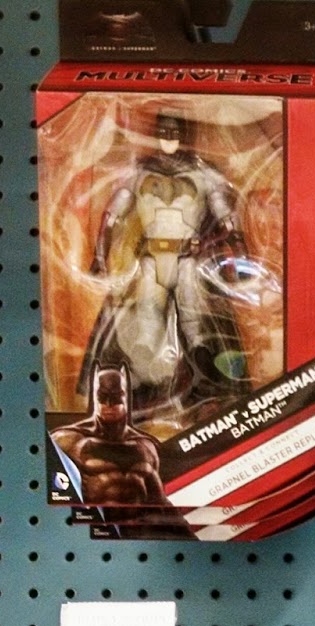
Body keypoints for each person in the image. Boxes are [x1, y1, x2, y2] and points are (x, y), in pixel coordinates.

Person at [80, 112, 251, 412]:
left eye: (174, 133)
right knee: (146, 322)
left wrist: (240, 256)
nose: (169, 139)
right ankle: (146, 390)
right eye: (164, 133)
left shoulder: (203, 173)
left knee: (196, 325)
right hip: (150, 259)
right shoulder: (140, 171)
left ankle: (206, 388)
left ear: (183, 136)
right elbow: (111, 216)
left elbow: (227, 218)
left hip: (189, 261)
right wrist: (99, 256)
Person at [51, 365, 170, 509]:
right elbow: (54, 496)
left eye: (116, 397)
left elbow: (160, 504)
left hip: (136, 523)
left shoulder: (146, 447)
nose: (109, 404)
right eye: (102, 397)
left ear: (126, 396)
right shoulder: (68, 441)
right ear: (94, 397)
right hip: (90, 521)